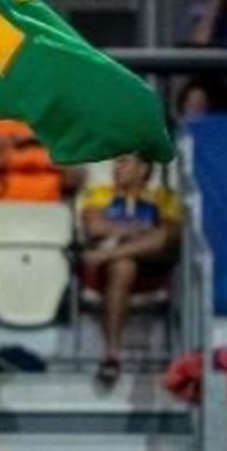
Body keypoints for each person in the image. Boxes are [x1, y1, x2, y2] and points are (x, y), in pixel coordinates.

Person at [80, 152, 183, 386]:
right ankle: (113, 355)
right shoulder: (101, 193)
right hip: (110, 272)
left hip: (151, 265)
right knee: (123, 266)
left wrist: (118, 235)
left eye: (124, 163)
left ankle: (111, 254)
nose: (116, 168)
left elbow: (171, 234)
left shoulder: (162, 197)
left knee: (164, 236)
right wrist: (140, 229)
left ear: (143, 169)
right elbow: (94, 226)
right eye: (116, 163)